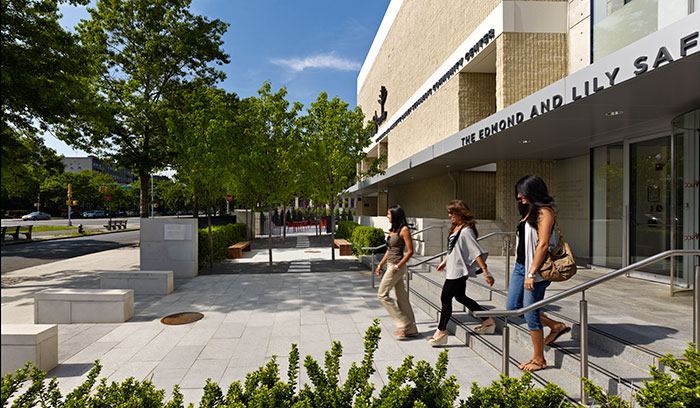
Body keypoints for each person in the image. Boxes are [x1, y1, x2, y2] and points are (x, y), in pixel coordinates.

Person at [506, 175, 570, 372]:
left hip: (537, 269)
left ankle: (539, 359)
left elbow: (542, 244)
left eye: (522, 192)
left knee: (531, 312)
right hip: (520, 267)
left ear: (533, 192)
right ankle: (556, 326)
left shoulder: (545, 212)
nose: (518, 196)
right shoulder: (529, 211)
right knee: (513, 307)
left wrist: (531, 273)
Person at [428, 200, 496, 346]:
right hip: (452, 269)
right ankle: (488, 320)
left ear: (460, 213)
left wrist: (486, 272)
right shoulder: (456, 228)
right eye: (449, 212)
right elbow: (453, 249)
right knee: (460, 297)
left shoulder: (466, 231)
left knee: (445, 298)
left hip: (458, 271)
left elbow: (476, 252)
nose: (449, 215)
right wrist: (444, 261)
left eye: (452, 212)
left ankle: (441, 331)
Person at [375, 205, 419, 339]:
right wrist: (380, 265)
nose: (387, 216)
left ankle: (402, 323)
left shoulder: (404, 230)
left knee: (382, 295)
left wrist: (398, 266)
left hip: (396, 267)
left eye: (389, 214)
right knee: (402, 298)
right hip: (390, 265)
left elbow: (410, 251)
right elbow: (389, 250)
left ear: (395, 215)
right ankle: (411, 329)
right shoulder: (393, 230)